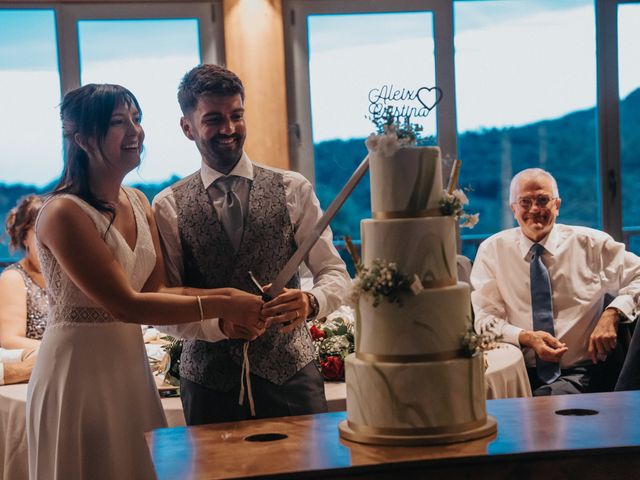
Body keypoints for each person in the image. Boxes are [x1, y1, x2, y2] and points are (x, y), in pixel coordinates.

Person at [27, 83, 266, 480]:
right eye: (119, 122)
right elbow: (126, 304)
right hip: (77, 374)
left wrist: (230, 295)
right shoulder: (63, 213)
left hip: (128, 367)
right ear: (83, 138)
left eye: (137, 119)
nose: (135, 131)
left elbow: (157, 292)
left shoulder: (138, 201)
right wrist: (225, 305)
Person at [153, 64, 350, 425]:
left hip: (291, 376)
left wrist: (311, 302)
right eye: (213, 119)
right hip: (208, 386)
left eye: (236, 116)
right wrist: (218, 326)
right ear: (187, 127)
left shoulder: (294, 188)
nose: (228, 129)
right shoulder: (167, 205)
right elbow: (165, 302)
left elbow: (334, 272)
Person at [471, 168, 640, 396]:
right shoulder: (492, 251)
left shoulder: (592, 244)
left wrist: (613, 313)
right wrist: (525, 337)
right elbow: (485, 320)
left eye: (542, 200)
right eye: (525, 202)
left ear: (557, 205)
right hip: (516, 372)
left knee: (538, 411)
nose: (534, 209)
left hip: (583, 373)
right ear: (513, 208)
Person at [0, 195, 48, 350]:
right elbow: (10, 340)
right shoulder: (13, 278)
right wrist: (64, 351)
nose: (51, 241)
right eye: (41, 232)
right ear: (24, 237)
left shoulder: (68, 275)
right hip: (36, 369)